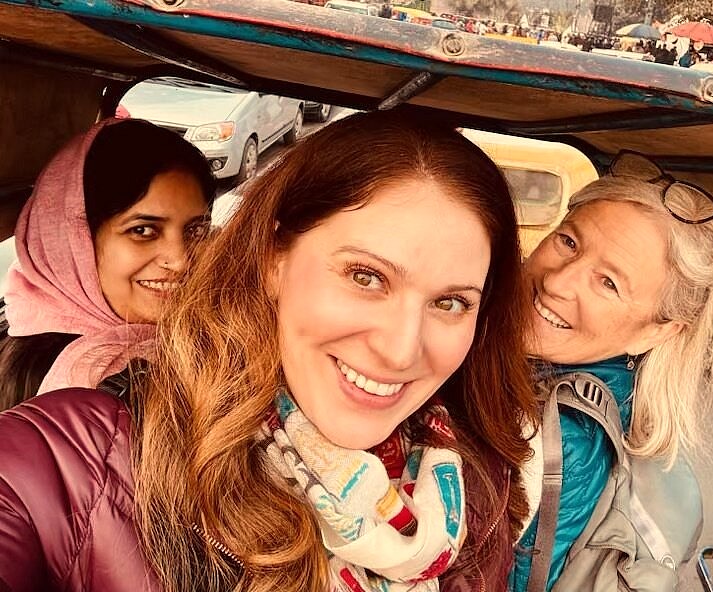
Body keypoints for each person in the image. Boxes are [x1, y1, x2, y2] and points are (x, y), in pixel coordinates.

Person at [0, 109, 539, 592]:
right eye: (365, 276)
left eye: (450, 302)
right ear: (272, 259)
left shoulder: (475, 480)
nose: (400, 351)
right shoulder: (79, 459)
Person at [510, 150, 713, 591]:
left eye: (608, 282)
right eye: (569, 242)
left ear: (654, 333)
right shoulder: (572, 377)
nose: (558, 281)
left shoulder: (558, 439)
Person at [0, 118, 215, 410]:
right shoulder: (101, 384)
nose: (180, 260)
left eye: (195, 230)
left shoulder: (28, 330)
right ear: (73, 243)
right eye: (142, 230)